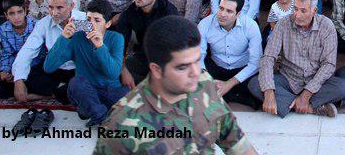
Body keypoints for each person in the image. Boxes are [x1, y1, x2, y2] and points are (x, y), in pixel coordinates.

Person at [94, 15, 257, 155]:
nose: (195, 72)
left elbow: (236, 142)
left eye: (196, 61)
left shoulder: (204, 83)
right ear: (157, 70)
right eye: (183, 67)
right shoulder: (122, 124)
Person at [248, 0, 345, 117]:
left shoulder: (326, 26)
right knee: (255, 84)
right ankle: (313, 108)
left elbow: (329, 65)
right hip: (288, 80)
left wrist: (306, 94)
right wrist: (269, 92)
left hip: (316, 82)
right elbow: (268, 58)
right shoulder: (283, 24)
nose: (297, 15)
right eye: (295, 9)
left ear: (314, 11)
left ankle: (286, 104)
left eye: (303, 11)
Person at [44, 0, 128, 127]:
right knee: (76, 83)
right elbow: (48, 67)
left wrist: (100, 47)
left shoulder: (116, 38)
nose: (91, 24)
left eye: (97, 20)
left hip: (110, 90)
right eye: (88, 19)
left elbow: (113, 73)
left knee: (130, 99)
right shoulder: (77, 38)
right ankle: (102, 118)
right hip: (87, 92)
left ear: (107, 24)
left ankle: (96, 112)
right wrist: (63, 38)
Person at [12, 0, 87, 103]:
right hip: (55, 69)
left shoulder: (84, 20)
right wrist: (18, 80)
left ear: (71, 6)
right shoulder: (44, 23)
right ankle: (61, 91)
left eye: (59, 8)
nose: (54, 13)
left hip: (78, 70)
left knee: (86, 84)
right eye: (51, 7)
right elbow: (27, 50)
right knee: (20, 80)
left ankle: (53, 93)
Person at [198, 0, 262, 108]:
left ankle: (229, 95)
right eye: (221, 8)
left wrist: (229, 83)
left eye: (229, 11)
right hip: (216, 68)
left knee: (255, 89)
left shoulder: (250, 26)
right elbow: (199, 57)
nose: (222, 14)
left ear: (238, 14)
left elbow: (255, 63)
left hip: (242, 70)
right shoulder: (205, 24)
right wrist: (207, 80)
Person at [113, 0, 179, 86]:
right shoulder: (130, 12)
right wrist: (123, 70)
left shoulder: (168, 11)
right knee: (115, 73)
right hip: (143, 57)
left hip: (166, 59)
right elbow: (120, 45)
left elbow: (176, 46)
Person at [0, 0, 38, 99]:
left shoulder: (36, 25)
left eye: (19, 12)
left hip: (35, 65)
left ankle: (34, 95)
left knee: (38, 82)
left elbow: (40, 54)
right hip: (15, 66)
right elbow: (7, 53)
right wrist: (5, 70)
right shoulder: (4, 28)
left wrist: (21, 71)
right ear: (6, 16)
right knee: (0, 91)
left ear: (25, 11)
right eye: (12, 13)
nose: (16, 17)